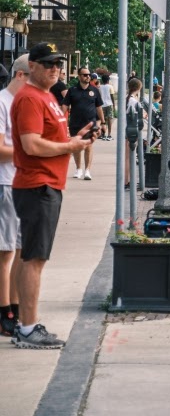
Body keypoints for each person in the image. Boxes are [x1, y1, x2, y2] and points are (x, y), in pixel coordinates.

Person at [10, 43, 94, 348]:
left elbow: (49, 139)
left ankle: (26, 322)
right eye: (48, 64)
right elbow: (31, 144)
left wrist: (74, 139)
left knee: (31, 255)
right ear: (31, 67)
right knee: (34, 258)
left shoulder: (47, 96)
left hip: (45, 185)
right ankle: (29, 328)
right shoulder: (31, 98)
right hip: (37, 185)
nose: (54, 69)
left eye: (58, 64)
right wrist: (69, 148)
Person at [0, 55, 29, 337]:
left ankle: (15, 307)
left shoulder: (23, 103)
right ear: (20, 75)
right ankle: (5, 311)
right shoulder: (2, 102)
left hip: (21, 184)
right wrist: (30, 150)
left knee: (21, 249)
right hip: (5, 183)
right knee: (6, 251)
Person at [62, 67, 105, 181]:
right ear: (79, 76)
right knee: (76, 147)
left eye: (89, 74)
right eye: (85, 75)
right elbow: (65, 106)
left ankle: (87, 170)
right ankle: (78, 169)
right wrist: (60, 120)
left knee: (88, 146)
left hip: (90, 123)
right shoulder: (72, 90)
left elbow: (99, 107)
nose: (87, 77)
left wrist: (103, 122)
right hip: (75, 123)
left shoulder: (94, 90)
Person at [124, 78, 146, 190]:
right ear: (139, 88)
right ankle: (129, 181)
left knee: (127, 157)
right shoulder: (134, 101)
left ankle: (126, 180)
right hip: (131, 130)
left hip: (126, 130)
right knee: (130, 157)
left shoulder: (127, 99)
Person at [99, 71, 114, 141]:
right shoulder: (110, 87)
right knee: (110, 119)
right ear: (108, 80)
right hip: (109, 104)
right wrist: (113, 105)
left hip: (102, 105)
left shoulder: (100, 87)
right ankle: (109, 134)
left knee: (103, 120)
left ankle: (103, 134)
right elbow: (112, 96)